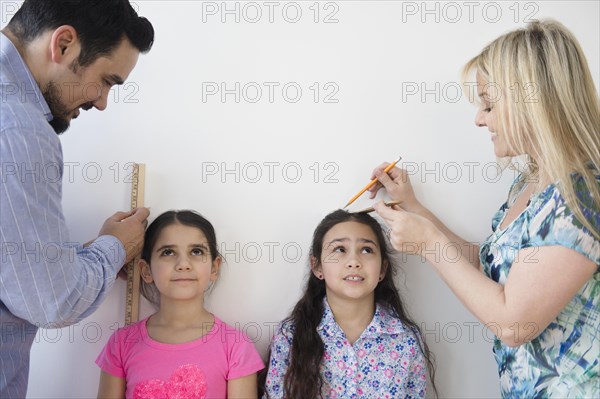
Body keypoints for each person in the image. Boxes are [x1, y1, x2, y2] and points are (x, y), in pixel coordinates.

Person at [370, 19, 599, 397]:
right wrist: (415, 208)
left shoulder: (582, 195)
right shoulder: (531, 185)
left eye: (489, 105)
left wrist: (429, 244)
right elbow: (485, 269)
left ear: (534, 102)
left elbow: (515, 324)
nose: (479, 119)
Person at [0, 1, 154, 396]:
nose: (102, 102)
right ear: (64, 44)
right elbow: (53, 301)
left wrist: (72, 259)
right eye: (106, 81)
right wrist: (114, 249)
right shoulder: (20, 129)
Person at [260, 209, 436, 399]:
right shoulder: (290, 335)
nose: (354, 261)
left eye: (366, 250)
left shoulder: (406, 338)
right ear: (317, 266)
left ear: (382, 269)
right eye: (340, 249)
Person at [96, 210, 265, 399]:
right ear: (146, 271)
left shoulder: (235, 347)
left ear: (214, 268)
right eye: (168, 252)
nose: (183, 264)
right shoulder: (121, 344)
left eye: (196, 251)